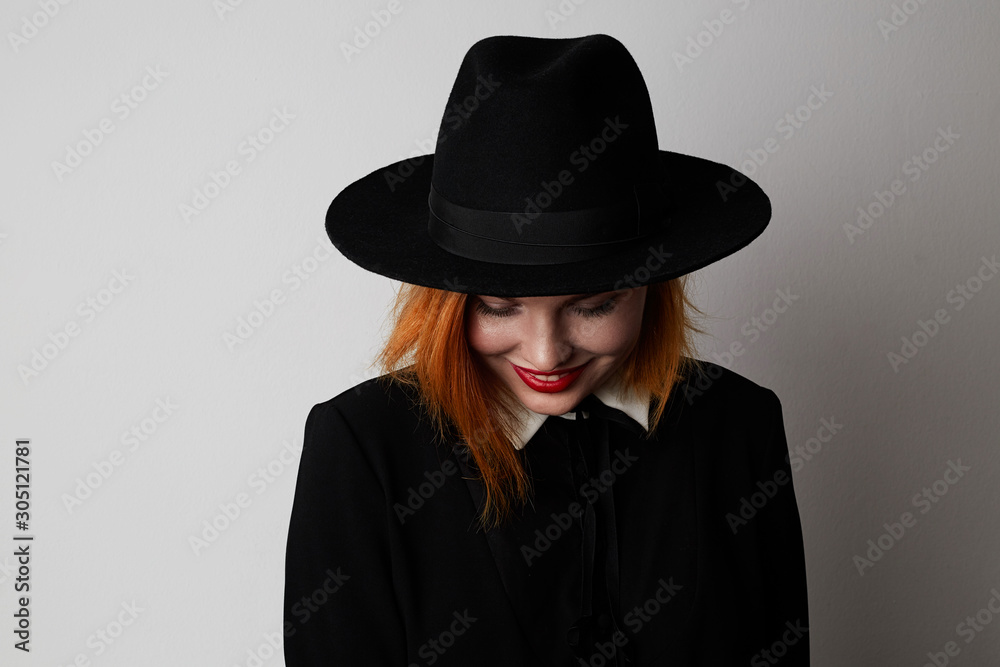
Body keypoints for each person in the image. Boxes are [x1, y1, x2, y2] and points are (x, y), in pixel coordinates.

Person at [283, 33, 809, 666]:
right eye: (499, 306)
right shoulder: (364, 447)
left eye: (593, 306)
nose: (545, 353)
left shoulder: (739, 426)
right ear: (446, 303)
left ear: (653, 285)